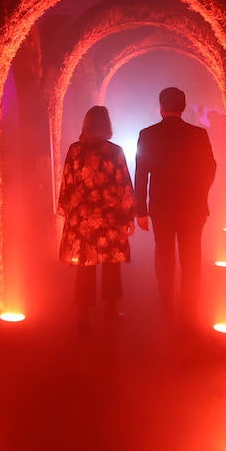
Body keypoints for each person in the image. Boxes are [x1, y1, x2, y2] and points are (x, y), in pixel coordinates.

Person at [133, 86, 216, 331]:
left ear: (161, 107)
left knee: (164, 254)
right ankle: (189, 307)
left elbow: (141, 174)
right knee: (192, 256)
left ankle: (166, 303)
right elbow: (210, 168)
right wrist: (202, 193)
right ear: (183, 107)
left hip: (162, 206)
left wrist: (141, 209)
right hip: (193, 207)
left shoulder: (147, 135)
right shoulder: (198, 134)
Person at [57, 105, 136, 334]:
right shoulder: (115, 152)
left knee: (85, 265)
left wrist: (66, 213)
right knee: (111, 264)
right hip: (110, 217)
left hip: (82, 219)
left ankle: (83, 313)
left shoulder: (75, 151)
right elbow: (123, 185)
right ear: (106, 126)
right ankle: (110, 308)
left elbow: (67, 183)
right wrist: (129, 215)